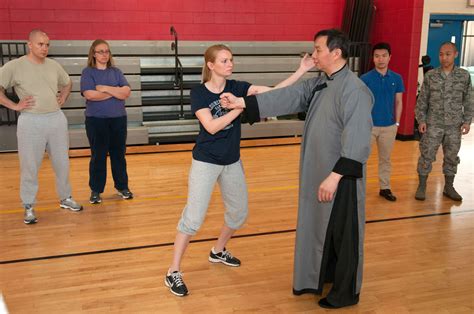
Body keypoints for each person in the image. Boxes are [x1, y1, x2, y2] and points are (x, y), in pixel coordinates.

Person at [221, 29, 373, 309]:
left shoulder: (355, 90)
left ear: (336, 53)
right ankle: (323, 276)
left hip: (341, 178)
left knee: (345, 235)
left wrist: (335, 176)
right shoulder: (319, 83)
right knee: (321, 229)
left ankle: (346, 294)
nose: (313, 54)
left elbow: (358, 139)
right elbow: (287, 97)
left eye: (318, 49)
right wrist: (243, 103)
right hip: (318, 172)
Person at [165, 44, 314, 297]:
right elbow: (211, 127)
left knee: (238, 213)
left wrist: (301, 70)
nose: (230, 64)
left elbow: (275, 94)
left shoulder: (238, 87)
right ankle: (172, 271)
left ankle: (218, 250)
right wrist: (238, 108)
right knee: (193, 219)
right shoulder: (199, 93)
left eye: (231, 60)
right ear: (211, 65)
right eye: (224, 60)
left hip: (232, 161)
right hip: (206, 161)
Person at [0, 29, 83, 224]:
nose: (44, 48)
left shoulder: (53, 65)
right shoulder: (15, 66)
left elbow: (68, 82)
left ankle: (65, 198)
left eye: (47, 45)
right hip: (31, 121)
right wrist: (14, 105)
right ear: (29, 44)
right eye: (40, 44)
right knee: (30, 165)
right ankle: (28, 205)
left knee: (62, 163)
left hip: (56, 119)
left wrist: (63, 95)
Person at [415, 42, 472, 201]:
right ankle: (422, 185)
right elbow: (422, 101)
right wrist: (421, 120)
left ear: (456, 54)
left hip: (455, 126)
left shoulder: (463, 76)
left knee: (451, 157)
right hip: (433, 124)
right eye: (441, 54)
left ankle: (449, 186)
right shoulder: (431, 76)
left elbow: (469, 100)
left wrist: (467, 121)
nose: (444, 57)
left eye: (447, 54)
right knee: (426, 155)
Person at [80, 39, 133, 204]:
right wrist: (115, 91)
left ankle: (122, 187)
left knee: (119, 155)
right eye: (100, 51)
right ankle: (96, 190)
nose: (104, 54)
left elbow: (126, 92)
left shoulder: (116, 72)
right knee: (98, 156)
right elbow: (90, 95)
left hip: (118, 120)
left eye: (107, 51)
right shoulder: (88, 72)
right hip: (96, 121)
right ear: (93, 54)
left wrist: (105, 88)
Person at [361, 42, 405, 201]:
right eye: (377, 56)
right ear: (373, 58)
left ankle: (385, 188)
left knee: (385, 160)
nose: (381, 59)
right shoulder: (365, 79)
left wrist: (397, 123)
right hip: (369, 128)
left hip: (389, 127)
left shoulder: (397, 78)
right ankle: (359, 189)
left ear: (389, 57)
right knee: (362, 159)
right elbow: (360, 103)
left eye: (384, 56)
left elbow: (399, 102)